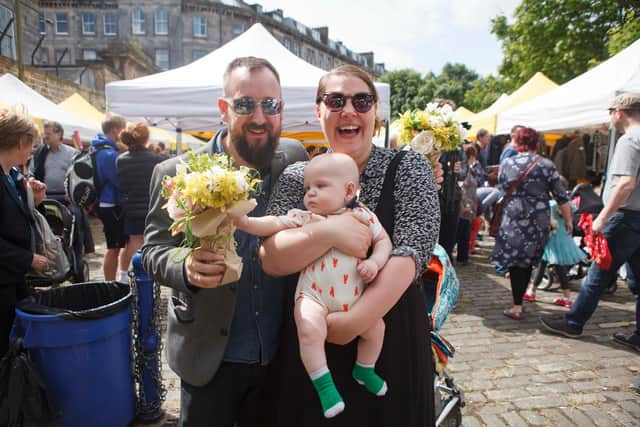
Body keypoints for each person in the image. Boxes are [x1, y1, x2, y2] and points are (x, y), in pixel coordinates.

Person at [260, 64, 440, 426]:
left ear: (375, 111)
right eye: (335, 100)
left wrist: (357, 319)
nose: (349, 110)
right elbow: (271, 257)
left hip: (388, 341)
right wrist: (329, 233)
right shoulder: (298, 175)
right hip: (312, 345)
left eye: (361, 100)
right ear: (318, 111)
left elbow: (411, 252)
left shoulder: (408, 167)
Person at [141, 56, 307, 426]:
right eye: (246, 104)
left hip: (279, 355)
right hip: (208, 355)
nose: (260, 117)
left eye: (271, 104)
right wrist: (184, 267)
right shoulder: (173, 173)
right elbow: (153, 251)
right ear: (223, 109)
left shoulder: (294, 160)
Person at [236, 152, 392, 418]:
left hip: (354, 298)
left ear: (349, 190)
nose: (310, 194)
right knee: (308, 328)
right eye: (308, 188)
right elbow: (274, 223)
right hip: (314, 296)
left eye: (320, 186)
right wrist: (245, 222)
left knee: (377, 328)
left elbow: (384, 242)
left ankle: (365, 367)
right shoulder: (305, 217)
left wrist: (375, 263)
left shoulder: (364, 216)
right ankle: (324, 387)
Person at [540, 93, 640, 344]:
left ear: (619, 112)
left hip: (624, 218)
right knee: (637, 282)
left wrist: (602, 218)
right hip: (636, 219)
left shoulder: (629, 141)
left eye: (610, 111)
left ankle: (573, 322)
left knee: (598, 273)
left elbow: (626, 184)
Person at [491, 127, 572, 320]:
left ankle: (517, 304)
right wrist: (568, 219)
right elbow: (561, 196)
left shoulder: (507, 163)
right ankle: (521, 300)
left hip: (512, 219)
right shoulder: (546, 165)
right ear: (537, 143)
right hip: (538, 220)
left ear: (517, 142)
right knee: (527, 262)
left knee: (514, 261)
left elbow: (501, 188)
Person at [0, 109, 47, 356]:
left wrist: (33, 201)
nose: (33, 151)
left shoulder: (12, 175)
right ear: (20, 141)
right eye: (32, 144)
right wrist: (27, 259)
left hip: (13, 279)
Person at [116, 122, 166, 279]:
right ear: (146, 138)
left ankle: (123, 275)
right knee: (154, 242)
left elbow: (122, 185)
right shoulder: (156, 159)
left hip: (131, 206)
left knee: (132, 242)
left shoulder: (121, 160)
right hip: (152, 205)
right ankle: (152, 276)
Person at [524, 195, 587, 308]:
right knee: (560, 268)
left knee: (541, 264)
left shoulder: (551, 205)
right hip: (564, 238)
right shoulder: (570, 205)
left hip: (550, 239)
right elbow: (570, 222)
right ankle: (567, 298)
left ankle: (531, 291)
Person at [93, 113, 128, 281]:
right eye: (124, 128)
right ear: (115, 130)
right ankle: (110, 284)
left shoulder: (100, 149)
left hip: (106, 203)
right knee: (113, 247)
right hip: (110, 204)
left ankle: (112, 282)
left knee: (116, 246)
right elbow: (119, 181)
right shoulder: (108, 154)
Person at [30, 120, 78, 202]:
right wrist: (33, 181)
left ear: (59, 134)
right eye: (44, 134)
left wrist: (72, 194)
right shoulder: (39, 152)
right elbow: (31, 172)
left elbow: (76, 176)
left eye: (48, 134)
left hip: (66, 200)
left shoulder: (72, 153)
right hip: (43, 198)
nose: (45, 136)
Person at [455, 144, 478, 265]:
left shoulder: (469, 170)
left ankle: (462, 257)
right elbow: (463, 189)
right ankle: (461, 258)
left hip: (468, 206)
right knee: (462, 233)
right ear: (471, 156)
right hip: (465, 207)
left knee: (464, 233)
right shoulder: (466, 171)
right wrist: (465, 206)